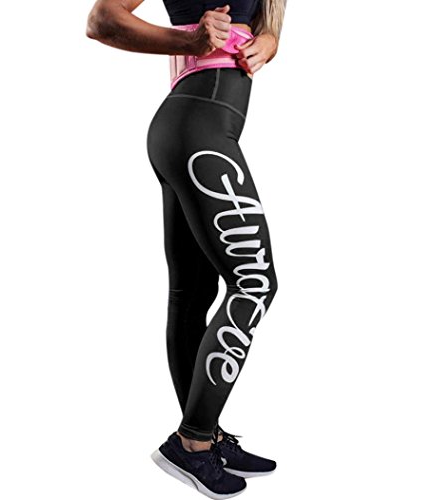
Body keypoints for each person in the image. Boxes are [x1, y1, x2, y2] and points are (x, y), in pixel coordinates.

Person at [85, 1, 287, 498]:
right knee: (255, 282)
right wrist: (189, 40)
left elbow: (255, 23)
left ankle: (205, 435)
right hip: (198, 131)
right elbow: (103, 19)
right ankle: (192, 441)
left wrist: (269, 41)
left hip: (190, 130)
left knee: (192, 294)